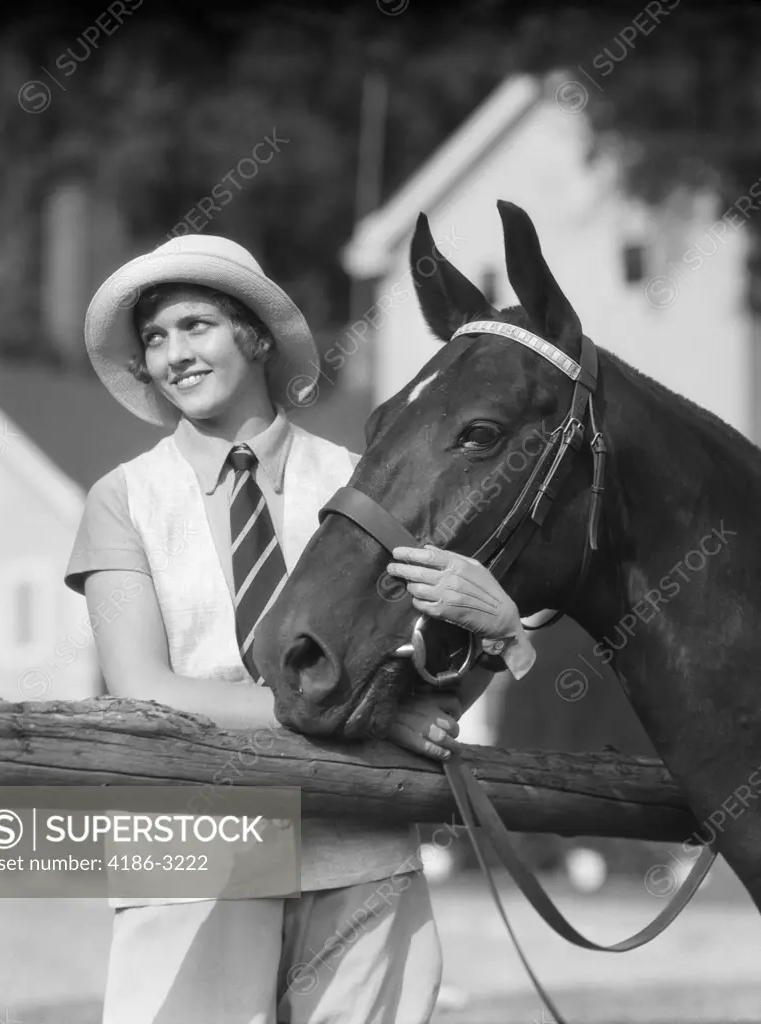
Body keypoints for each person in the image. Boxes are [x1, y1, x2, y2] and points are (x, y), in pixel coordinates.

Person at [65, 233, 536, 1024]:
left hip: (357, 842)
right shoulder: (124, 499)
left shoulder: (365, 478)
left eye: (195, 325)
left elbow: (431, 683)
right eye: (154, 337)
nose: (174, 353)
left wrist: (492, 633)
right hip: (189, 852)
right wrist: (372, 715)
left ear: (253, 336)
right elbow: (142, 687)